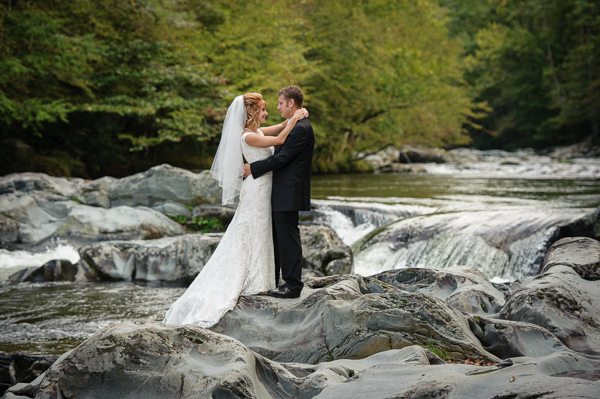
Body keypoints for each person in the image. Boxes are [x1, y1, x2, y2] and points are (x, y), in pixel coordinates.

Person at [163, 93, 307, 327]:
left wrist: (297, 116)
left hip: (264, 186)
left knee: (260, 232)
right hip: (258, 189)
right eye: (262, 110)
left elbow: (280, 126)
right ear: (251, 113)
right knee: (252, 230)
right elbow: (280, 139)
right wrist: (294, 120)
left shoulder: (257, 131)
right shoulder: (248, 136)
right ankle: (254, 281)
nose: (266, 113)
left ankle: (263, 280)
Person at [243, 86, 315, 299]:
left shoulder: (301, 128)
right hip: (281, 190)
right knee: (278, 237)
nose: (277, 107)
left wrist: (252, 169)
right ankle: (274, 280)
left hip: (288, 191)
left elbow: (281, 159)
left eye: (281, 103)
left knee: (288, 238)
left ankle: (292, 285)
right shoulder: (296, 124)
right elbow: (278, 138)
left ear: (291, 103)